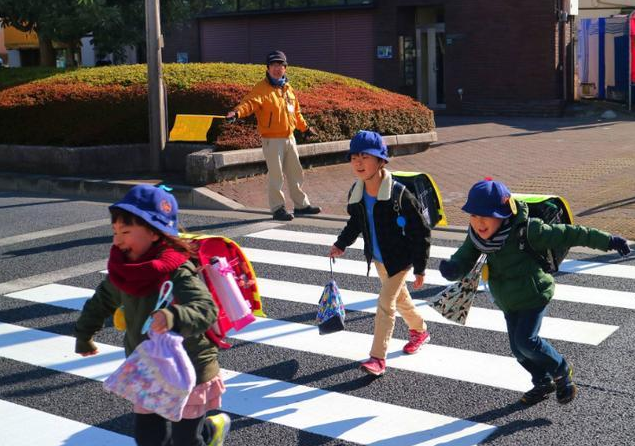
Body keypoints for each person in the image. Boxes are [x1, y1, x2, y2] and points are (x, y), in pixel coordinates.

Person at [439, 178, 632, 405]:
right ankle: (542, 381)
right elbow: (463, 257)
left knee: (526, 342)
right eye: (473, 216)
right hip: (507, 299)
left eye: (485, 216)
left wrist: (609, 240)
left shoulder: (529, 230)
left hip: (533, 294)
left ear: (503, 214)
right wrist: (453, 269)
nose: (478, 223)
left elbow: (571, 233)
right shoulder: (476, 237)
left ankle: (561, 370)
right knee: (518, 350)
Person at [74, 184, 231, 446]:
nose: (117, 240)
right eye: (114, 232)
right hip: (150, 367)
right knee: (149, 438)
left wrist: (174, 317)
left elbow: (206, 309)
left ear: (155, 234)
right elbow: (100, 302)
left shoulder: (178, 270)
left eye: (126, 232)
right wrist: (83, 334)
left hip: (190, 366)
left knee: (186, 440)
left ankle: (208, 432)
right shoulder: (124, 271)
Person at [329, 130, 432, 376]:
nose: (358, 162)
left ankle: (377, 358)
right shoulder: (358, 192)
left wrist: (420, 267)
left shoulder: (399, 194)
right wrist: (341, 244)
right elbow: (355, 223)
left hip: (399, 260)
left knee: (385, 304)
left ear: (381, 161)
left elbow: (421, 231)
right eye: (354, 156)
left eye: (365, 156)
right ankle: (420, 330)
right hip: (378, 259)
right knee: (400, 299)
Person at [226, 50, 321, 221]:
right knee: (276, 176)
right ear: (268, 68)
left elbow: (295, 113)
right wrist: (237, 113)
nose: (277, 68)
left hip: (289, 138)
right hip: (272, 140)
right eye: (274, 65)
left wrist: (305, 128)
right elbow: (249, 103)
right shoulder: (261, 88)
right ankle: (278, 208)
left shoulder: (288, 89)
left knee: (296, 173)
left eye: (281, 65)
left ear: (285, 68)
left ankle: (301, 205)